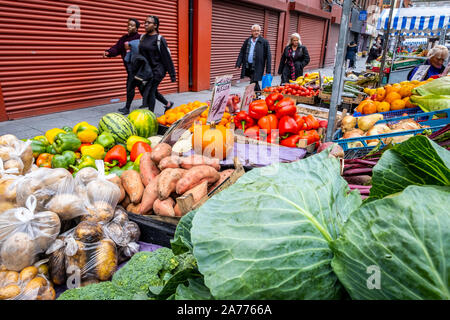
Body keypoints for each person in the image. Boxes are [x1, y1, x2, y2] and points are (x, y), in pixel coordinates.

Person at [102, 18, 141, 114]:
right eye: (128, 25)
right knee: (138, 87)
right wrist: (108, 52)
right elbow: (117, 48)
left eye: (132, 25)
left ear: (136, 28)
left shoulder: (140, 38)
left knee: (132, 87)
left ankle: (127, 108)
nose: (129, 27)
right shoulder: (123, 39)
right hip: (130, 69)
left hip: (139, 68)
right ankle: (165, 103)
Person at [139, 15, 176, 113]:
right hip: (147, 70)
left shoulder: (159, 39)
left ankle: (150, 115)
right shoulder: (142, 37)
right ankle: (168, 103)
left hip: (158, 70)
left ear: (155, 25)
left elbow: (167, 58)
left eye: (149, 22)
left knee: (151, 90)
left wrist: (172, 75)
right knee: (151, 90)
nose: (145, 24)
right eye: (145, 22)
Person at [235, 24, 271, 92]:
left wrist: (268, 69)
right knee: (253, 80)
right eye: (254, 31)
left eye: (258, 31)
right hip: (248, 64)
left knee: (254, 80)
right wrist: (238, 64)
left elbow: (268, 55)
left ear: (260, 32)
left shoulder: (264, 42)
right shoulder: (247, 41)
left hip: (258, 66)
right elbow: (242, 52)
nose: (256, 32)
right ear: (251, 31)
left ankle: (251, 94)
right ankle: (258, 93)